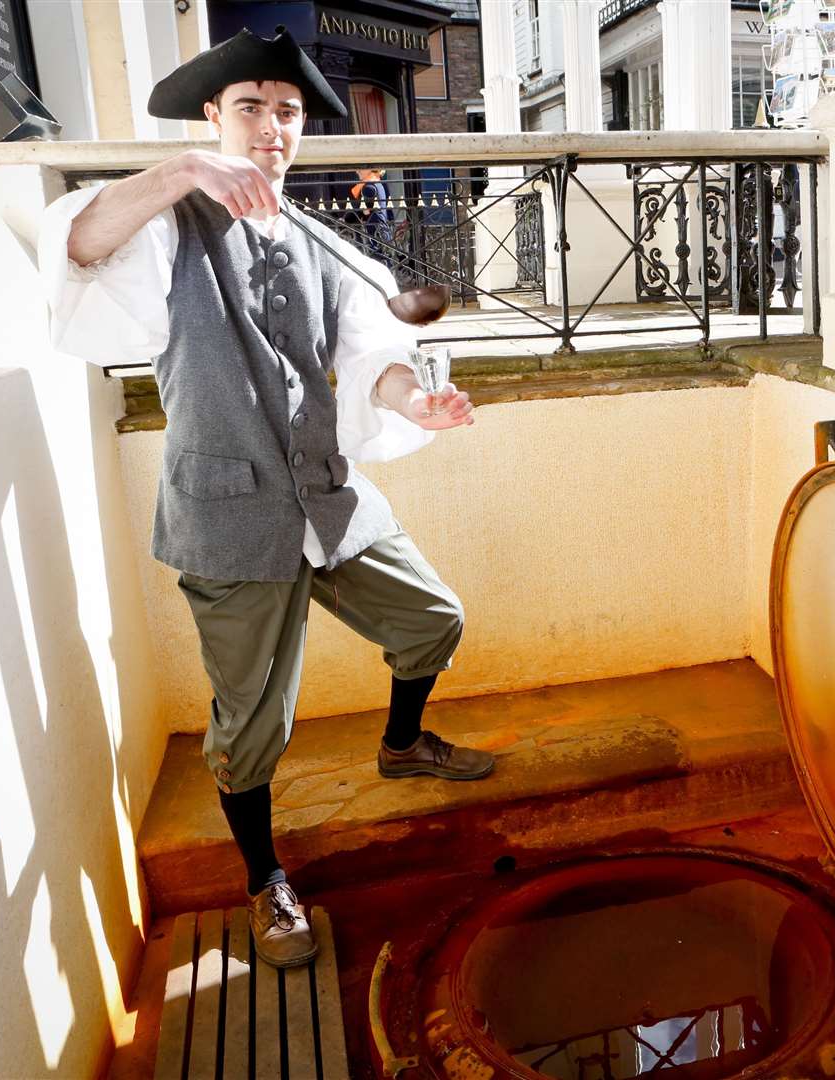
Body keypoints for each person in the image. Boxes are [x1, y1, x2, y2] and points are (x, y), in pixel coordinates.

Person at [38, 28, 493, 969]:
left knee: (433, 620)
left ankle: (403, 745)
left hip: (327, 497)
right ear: (214, 116)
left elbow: (374, 360)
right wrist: (180, 173)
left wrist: (424, 401)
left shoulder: (321, 244)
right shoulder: (169, 224)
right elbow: (77, 247)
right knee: (254, 727)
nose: (272, 127)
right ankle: (264, 881)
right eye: (250, 107)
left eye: (286, 112)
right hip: (228, 513)